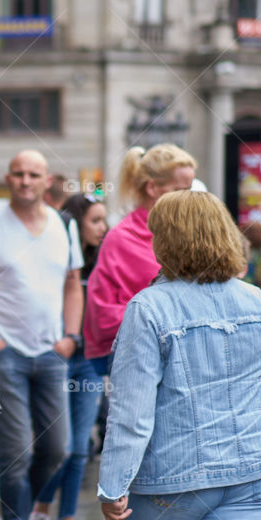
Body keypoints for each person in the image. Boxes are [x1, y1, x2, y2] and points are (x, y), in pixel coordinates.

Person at [99, 190, 261, 520]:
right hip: (251, 470)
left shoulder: (148, 308)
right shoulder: (259, 301)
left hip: (172, 478)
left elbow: (132, 414)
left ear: (166, 241)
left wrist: (111, 487)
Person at [0, 150, 84, 520]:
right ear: (8, 179)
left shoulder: (65, 224)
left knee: (60, 449)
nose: (25, 181)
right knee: (16, 452)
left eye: (33, 174)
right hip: (6, 353)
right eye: (18, 173)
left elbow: (74, 284)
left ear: (47, 180)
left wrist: (71, 336)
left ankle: (34, 512)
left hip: (54, 352)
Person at [30, 193, 108, 520]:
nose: (103, 228)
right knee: (57, 447)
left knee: (79, 449)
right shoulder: (57, 257)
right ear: (76, 224)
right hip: (58, 361)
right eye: (95, 221)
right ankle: (41, 508)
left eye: (104, 220)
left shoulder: (107, 261)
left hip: (89, 363)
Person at [84, 144, 196, 374]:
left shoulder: (190, 233)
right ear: (153, 188)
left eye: (190, 189)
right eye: (180, 189)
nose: (189, 198)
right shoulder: (121, 238)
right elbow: (102, 313)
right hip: (136, 356)